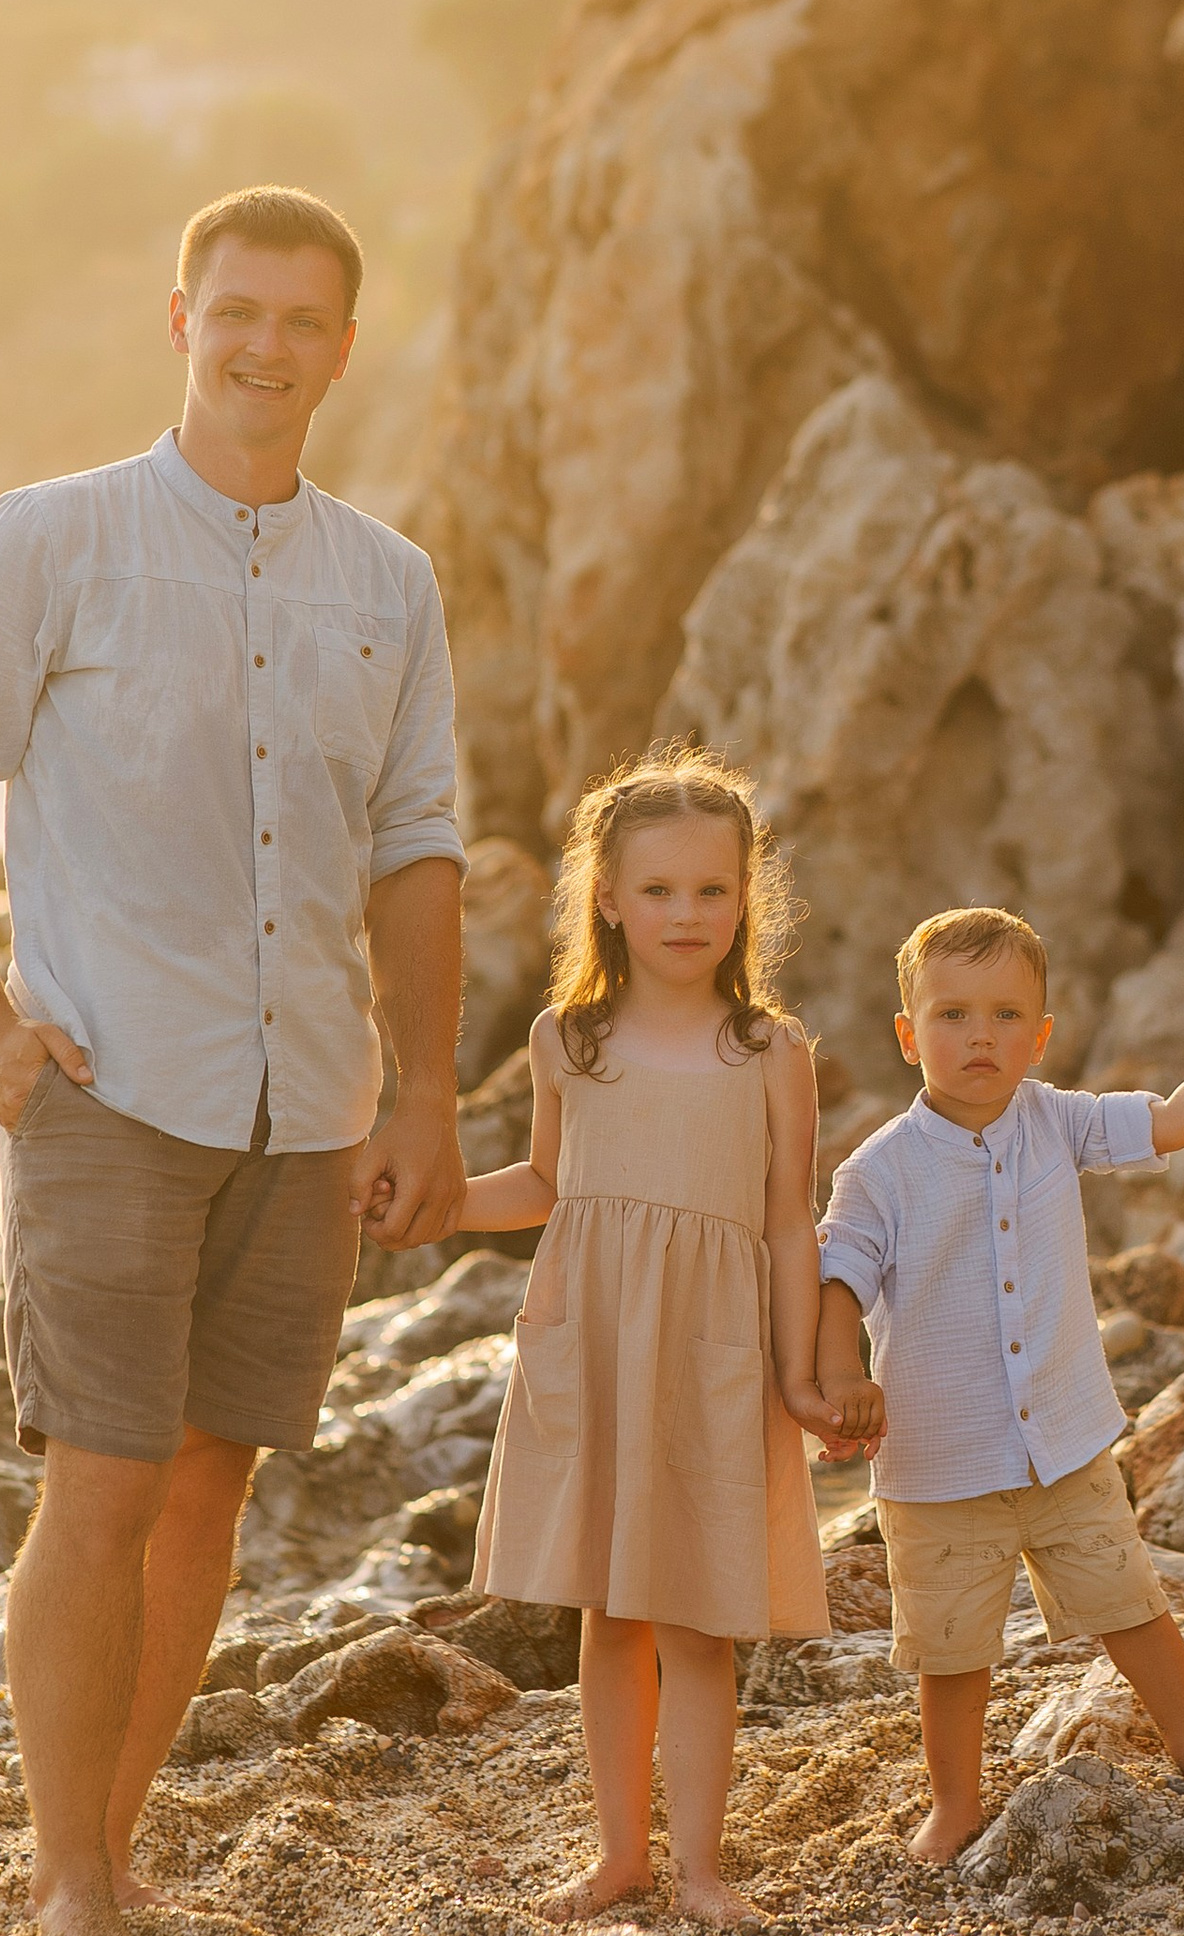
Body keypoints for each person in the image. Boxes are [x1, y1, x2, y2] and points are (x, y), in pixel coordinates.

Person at [0, 185, 469, 1936]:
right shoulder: (52, 537)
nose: (267, 346)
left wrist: (427, 1089)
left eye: (303, 321)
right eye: (239, 311)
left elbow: (417, 844)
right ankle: (68, 1883)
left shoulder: (391, 580)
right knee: (106, 1480)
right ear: (182, 320)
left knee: (214, 1483)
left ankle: (119, 1851)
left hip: (310, 1100)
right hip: (107, 1087)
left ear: (343, 351)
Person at [458, 747, 860, 1927]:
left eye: (712, 889)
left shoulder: (769, 1051)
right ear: (607, 898)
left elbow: (789, 1218)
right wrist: (424, 1202)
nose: (686, 913)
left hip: (711, 1352)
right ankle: (618, 1855)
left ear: (746, 900)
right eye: (658, 890)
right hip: (594, 1342)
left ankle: (701, 1869)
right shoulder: (565, 1040)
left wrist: (795, 1368)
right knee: (611, 1611)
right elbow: (542, 1180)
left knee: (695, 1618)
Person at [814, 906, 1184, 1864]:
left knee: (1131, 1601)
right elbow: (840, 1280)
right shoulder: (879, 1172)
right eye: (952, 1015)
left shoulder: (1058, 1122)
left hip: (1063, 1439)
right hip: (940, 1460)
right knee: (951, 1650)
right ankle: (954, 1802)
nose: (980, 1036)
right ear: (908, 1035)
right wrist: (837, 1379)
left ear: (1041, 1036)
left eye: (1005, 1015)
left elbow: (1175, 1121)